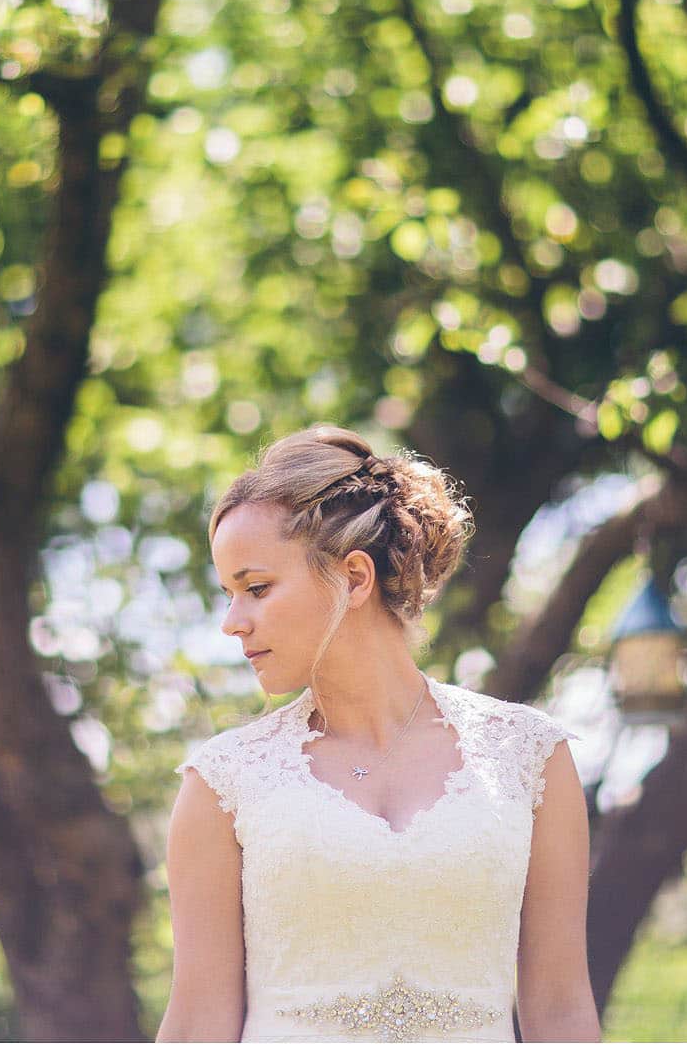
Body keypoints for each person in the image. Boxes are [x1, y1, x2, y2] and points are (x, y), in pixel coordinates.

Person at [156, 425, 604, 1043]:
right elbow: (197, 1024)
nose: (234, 622)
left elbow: (561, 1010)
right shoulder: (223, 783)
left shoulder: (530, 756)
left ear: (355, 578)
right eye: (229, 594)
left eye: (255, 588)